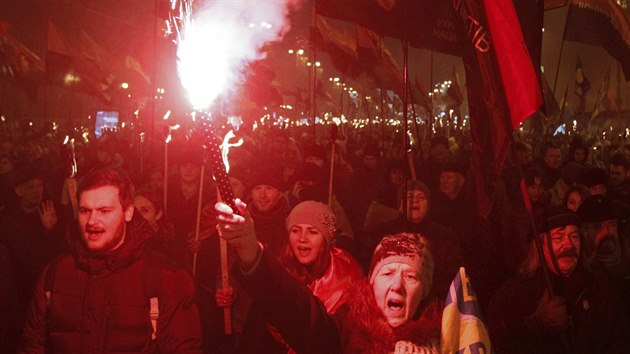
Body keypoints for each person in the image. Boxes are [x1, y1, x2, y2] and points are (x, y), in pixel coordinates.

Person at [215, 199, 442, 353]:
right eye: (388, 273)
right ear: (372, 283)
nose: (397, 285)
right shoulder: (347, 328)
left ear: (425, 289)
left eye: (411, 276)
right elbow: (299, 313)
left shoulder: (450, 335)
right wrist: (251, 253)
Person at [20, 168, 202, 353]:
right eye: (85, 211)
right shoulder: (56, 273)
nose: (92, 221)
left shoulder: (165, 279)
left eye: (104, 211)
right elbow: (33, 343)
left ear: (128, 212)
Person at [222, 200, 364, 353]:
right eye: (296, 230)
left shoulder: (347, 279)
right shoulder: (281, 270)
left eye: (313, 231)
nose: (302, 238)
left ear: (326, 240)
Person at [487, 206, 630, 353]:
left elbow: (622, 338)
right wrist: (535, 327)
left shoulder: (600, 288)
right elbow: (498, 344)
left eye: (574, 237)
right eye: (558, 238)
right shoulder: (512, 295)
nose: (569, 245)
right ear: (539, 246)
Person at [0, 166, 69, 349]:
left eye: (39, 185)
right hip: (20, 294)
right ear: (18, 190)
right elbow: (22, 257)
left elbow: (63, 252)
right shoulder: (8, 220)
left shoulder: (52, 210)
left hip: (49, 289)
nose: (37, 191)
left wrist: (51, 230)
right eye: (30, 187)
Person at [361, 180, 462, 300]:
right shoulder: (378, 234)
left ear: (428, 205)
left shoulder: (445, 237)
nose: (415, 200)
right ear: (400, 204)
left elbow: (452, 277)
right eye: (409, 196)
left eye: (421, 197)